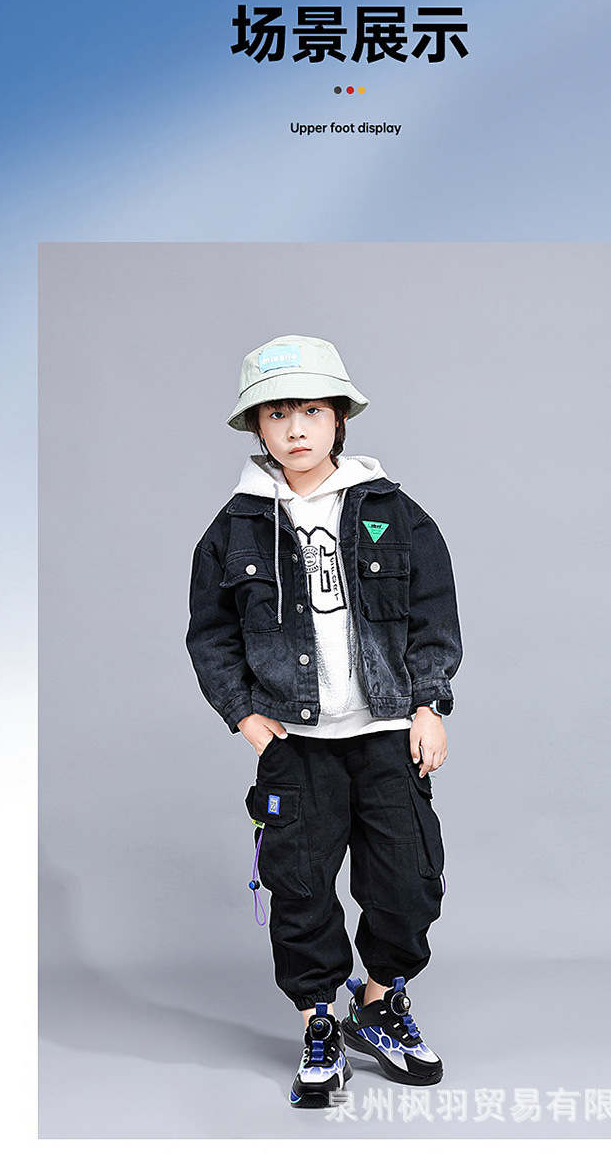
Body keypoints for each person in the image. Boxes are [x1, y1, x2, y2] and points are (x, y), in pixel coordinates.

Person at [186, 335, 462, 1108]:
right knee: (300, 891)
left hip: (386, 735)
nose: (296, 428)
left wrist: (429, 705)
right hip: (296, 746)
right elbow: (210, 633)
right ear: (257, 426)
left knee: (408, 883)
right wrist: (243, 714)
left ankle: (376, 1007)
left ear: (339, 418)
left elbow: (434, 616)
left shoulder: (391, 511)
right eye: (278, 414)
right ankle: (318, 1022)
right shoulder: (236, 526)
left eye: (311, 410)